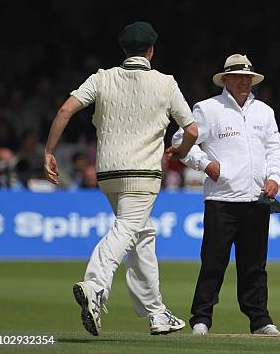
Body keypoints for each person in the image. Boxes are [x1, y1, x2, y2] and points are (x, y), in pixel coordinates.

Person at [44, 21, 198, 336]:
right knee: (127, 230)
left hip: (108, 173)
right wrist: (180, 150)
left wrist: (49, 151)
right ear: (152, 50)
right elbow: (192, 130)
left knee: (142, 236)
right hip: (142, 174)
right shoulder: (165, 83)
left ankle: (156, 313)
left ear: (124, 50)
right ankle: (95, 286)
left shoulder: (102, 78)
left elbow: (64, 110)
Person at [171, 54, 280, 337]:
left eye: (248, 77)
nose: (244, 82)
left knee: (255, 266)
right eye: (238, 77)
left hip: (257, 199)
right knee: (213, 262)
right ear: (226, 80)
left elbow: (276, 150)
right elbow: (179, 141)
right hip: (222, 198)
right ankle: (201, 319)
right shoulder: (208, 109)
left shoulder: (264, 112)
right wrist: (205, 165)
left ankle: (260, 321)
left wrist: (274, 178)